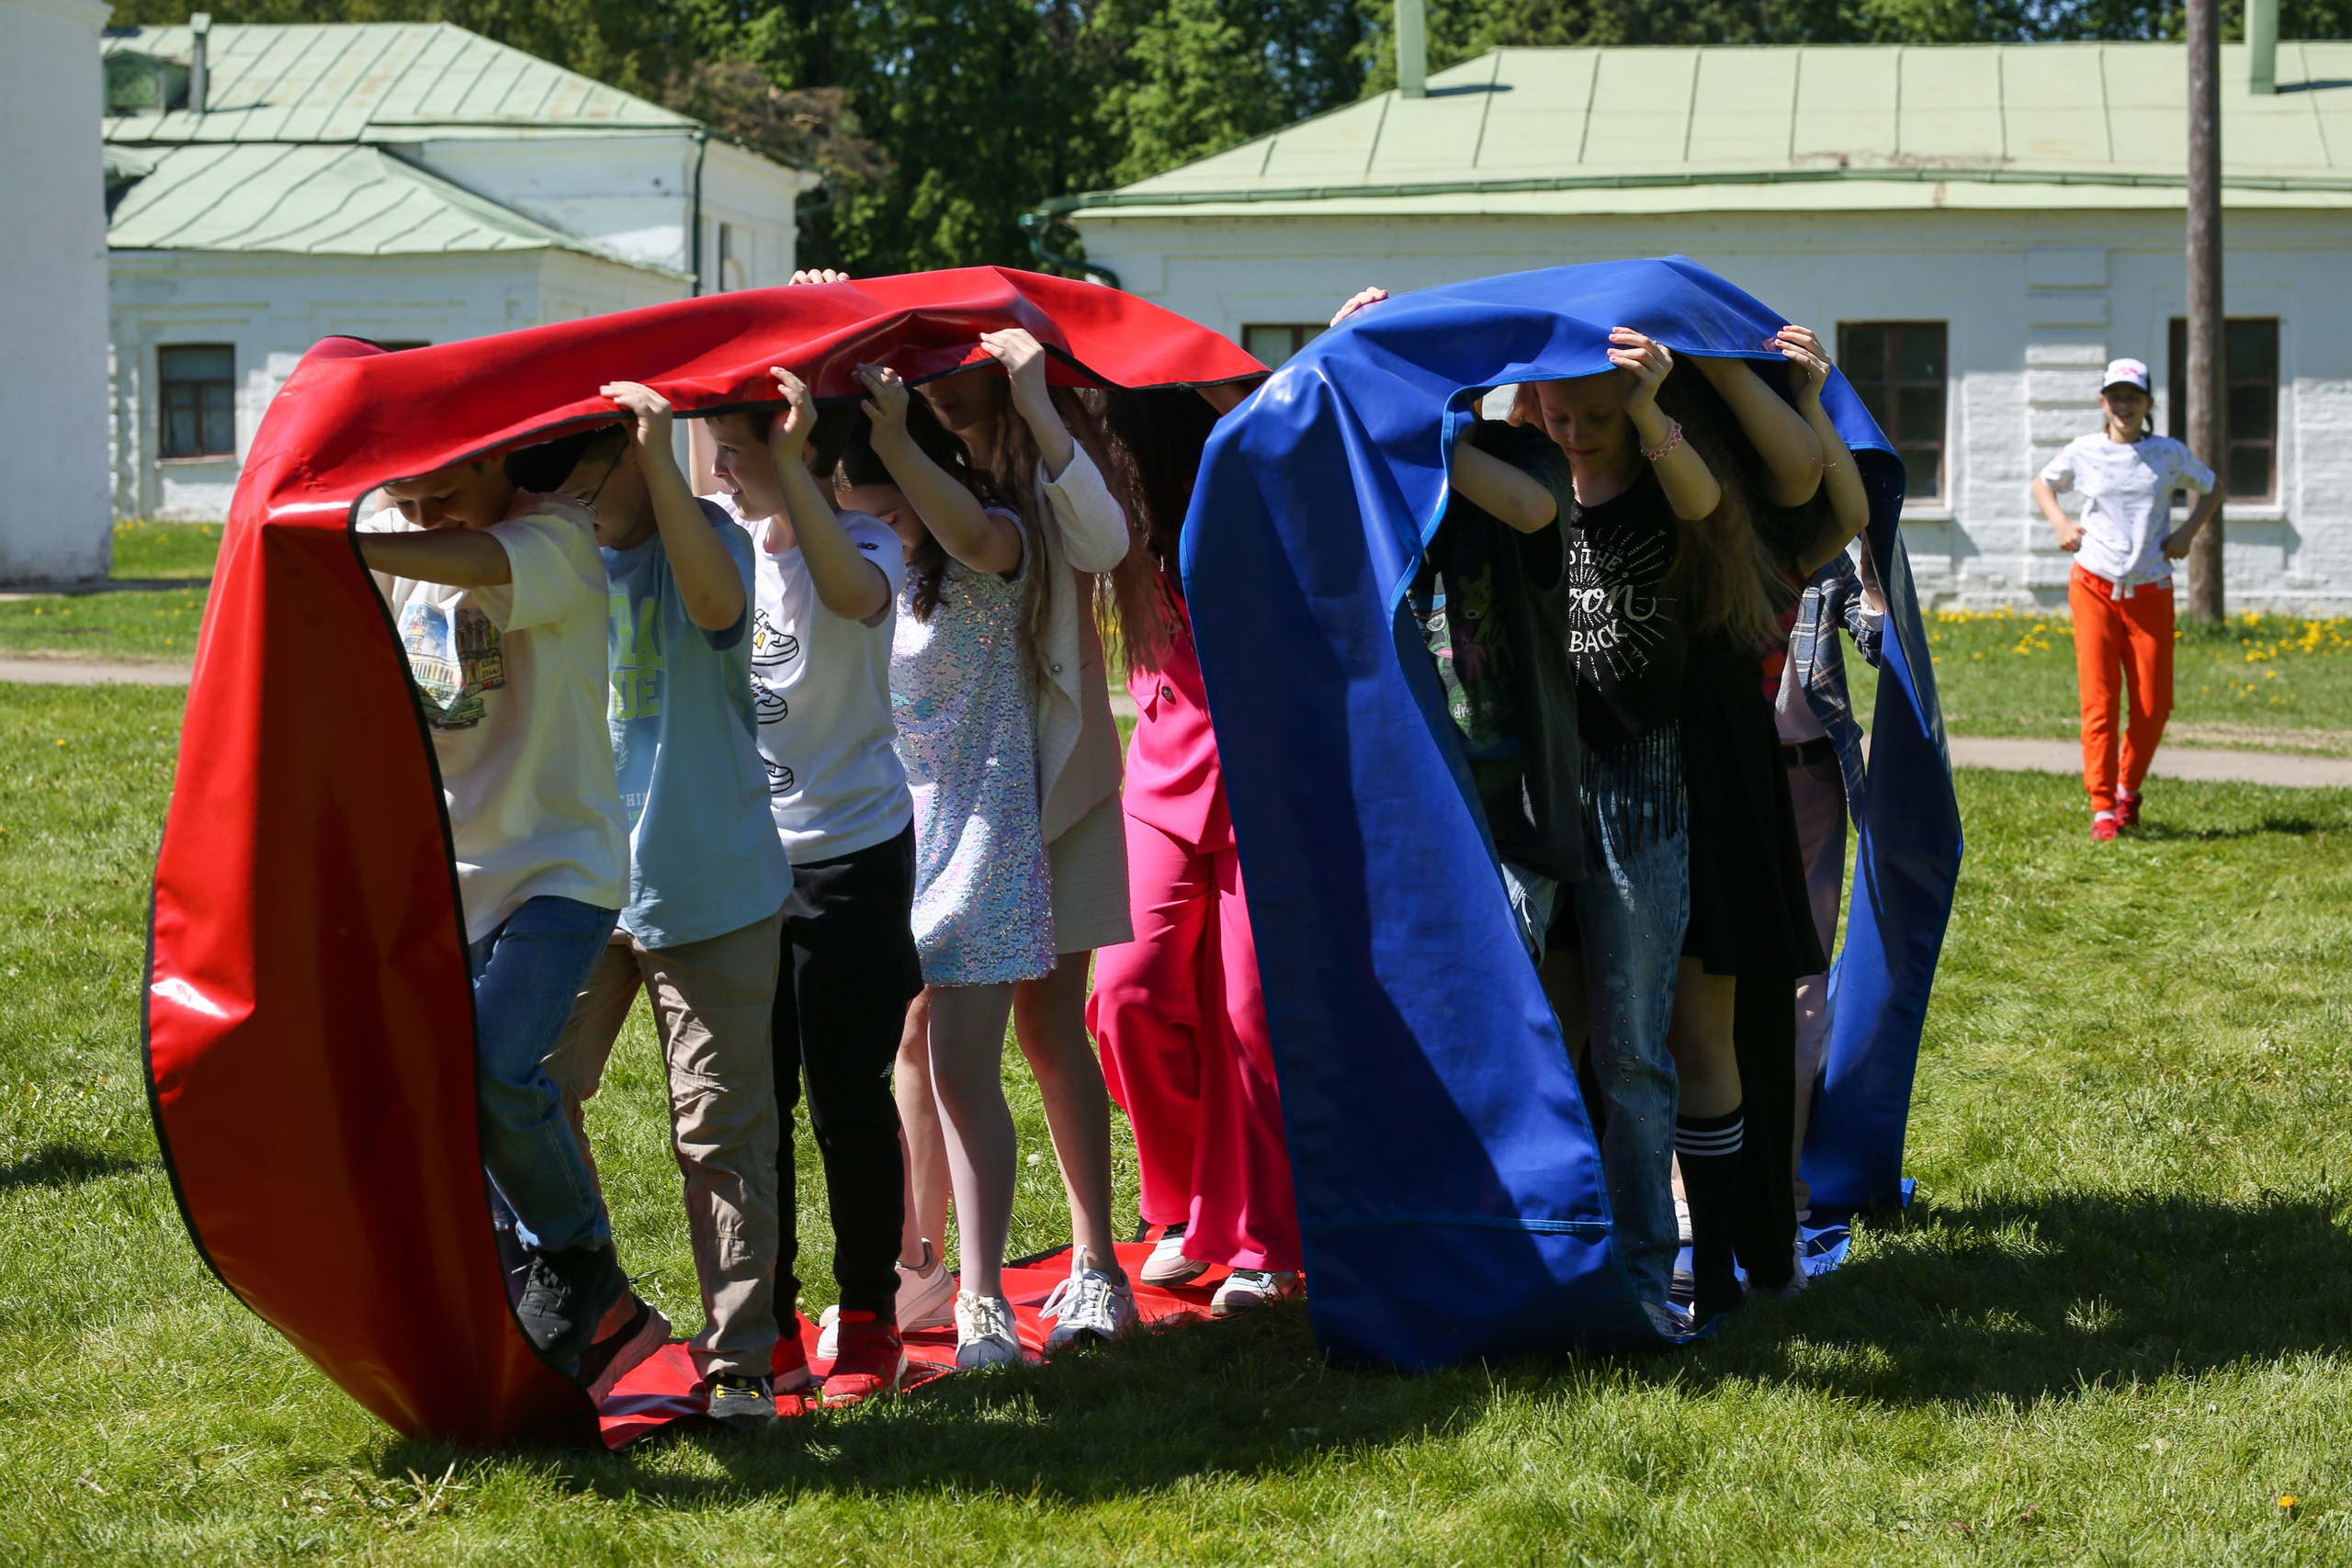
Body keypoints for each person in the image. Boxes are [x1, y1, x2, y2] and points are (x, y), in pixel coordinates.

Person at [1329, 288, 1726, 1332]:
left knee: (1634, 1050)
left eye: (1592, 416)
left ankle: (1644, 1278)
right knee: (1515, 1027)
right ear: (1529, 399)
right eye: (1559, 410)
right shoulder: (1505, 462)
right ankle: (1517, 1258)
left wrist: (1644, 410)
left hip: (1636, 786)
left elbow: (1695, 500)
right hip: (1524, 785)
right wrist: (1362, 358)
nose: (1573, 430)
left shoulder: (1645, 472)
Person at [356, 452, 664, 1402]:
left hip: (559, 869)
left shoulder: (559, 534)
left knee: (496, 1071)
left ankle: (581, 1259)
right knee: (456, 1093)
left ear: (493, 458)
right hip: (456, 875)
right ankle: (572, 1307)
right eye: (405, 496)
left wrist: (356, 543)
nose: (419, 512)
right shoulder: (406, 540)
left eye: (439, 492)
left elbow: (486, 560)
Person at [528, 387, 797, 1428]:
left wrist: (653, 455)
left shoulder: (712, 538)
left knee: (720, 1133)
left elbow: (718, 611)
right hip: (583, 891)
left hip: (711, 888)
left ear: (636, 458)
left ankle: (738, 1360)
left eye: (590, 490)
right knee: (532, 1092)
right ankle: (597, 1317)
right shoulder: (557, 547)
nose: (577, 514)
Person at [904, 333, 1140, 1350]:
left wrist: (1038, 402)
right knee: (926, 1036)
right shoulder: (917, 473)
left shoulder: (1045, 466)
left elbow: (1105, 545)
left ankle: (1096, 1267)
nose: (949, 393)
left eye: (967, 375)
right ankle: (928, 1270)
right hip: (945, 798)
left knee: (1050, 1026)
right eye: (933, 380)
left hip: (1057, 783)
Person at [836, 359, 1058, 1369]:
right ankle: (912, 1268)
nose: (855, 519)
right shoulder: (868, 559)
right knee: (904, 1054)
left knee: (965, 1068)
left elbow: (966, 532)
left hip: (981, 827)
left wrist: (889, 441)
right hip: (892, 833)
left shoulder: (995, 534)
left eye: (870, 503)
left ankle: (982, 1303)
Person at [706, 378, 921, 1409]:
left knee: (845, 1099)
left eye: (736, 454)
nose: (719, 472)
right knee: (760, 1107)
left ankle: (870, 1318)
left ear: (794, 451)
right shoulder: (723, 547)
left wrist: (792, 463)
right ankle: (772, 1318)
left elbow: (843, 597)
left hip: (850, 862)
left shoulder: (869, 546)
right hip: (745, 867)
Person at [1087, 384, 1308, 1316]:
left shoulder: (1246, 494)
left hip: (1269, 783)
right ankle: (1185, 1206)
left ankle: (1267, 1234)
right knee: (1124, 993)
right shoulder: (1112, 519)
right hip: (1164, 777)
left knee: (1256, 1015)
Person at [2032, 356, 2223, 840]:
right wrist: (2060, 522)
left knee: (2153, 704)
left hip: (2151, 590)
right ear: (2103, 402)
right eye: (2115, 395)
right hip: (2094, 586)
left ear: (2148, 404)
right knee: (2100, 702)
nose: (2124, 404)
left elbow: (2214, 486)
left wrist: (2186, 533)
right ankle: (2102, 807)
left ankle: (2127, 790)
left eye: (2133, 396)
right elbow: (2044, 483)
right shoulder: (2085, 450)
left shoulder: (2167, 454)